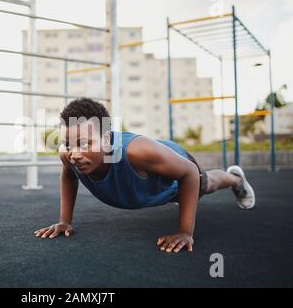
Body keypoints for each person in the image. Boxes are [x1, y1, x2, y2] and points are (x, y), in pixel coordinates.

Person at [34, 98, 255, 253]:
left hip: (177, 166)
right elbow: (69, 175)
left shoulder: (137, 152)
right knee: (180, 196)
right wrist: (65, 221)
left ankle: (236, 178)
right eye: (68, 144)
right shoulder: (68, 155)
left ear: (107, 139)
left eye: (84, 143)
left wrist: (185, 232)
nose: (74, 153)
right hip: (152, 184)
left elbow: (188, 172)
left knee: (206, 184)